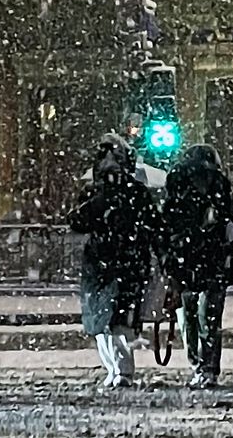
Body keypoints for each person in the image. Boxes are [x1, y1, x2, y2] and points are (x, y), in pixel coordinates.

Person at [69, 133, 160, 389]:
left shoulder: (135, 194)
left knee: (120, 321)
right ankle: (113, 368)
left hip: (125, 265)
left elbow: (153, 227)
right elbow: (77, 221)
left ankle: (123, 370)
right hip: (102, 265)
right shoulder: (96, 194)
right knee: (102, 322)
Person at [159, 144, 233, 390]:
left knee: (197, 318)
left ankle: (202, 366)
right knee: (199, 318)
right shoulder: (214, 192)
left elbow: (166, 229)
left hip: (200, 262)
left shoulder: (202, 194)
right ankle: (203, 367)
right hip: (202, 262)